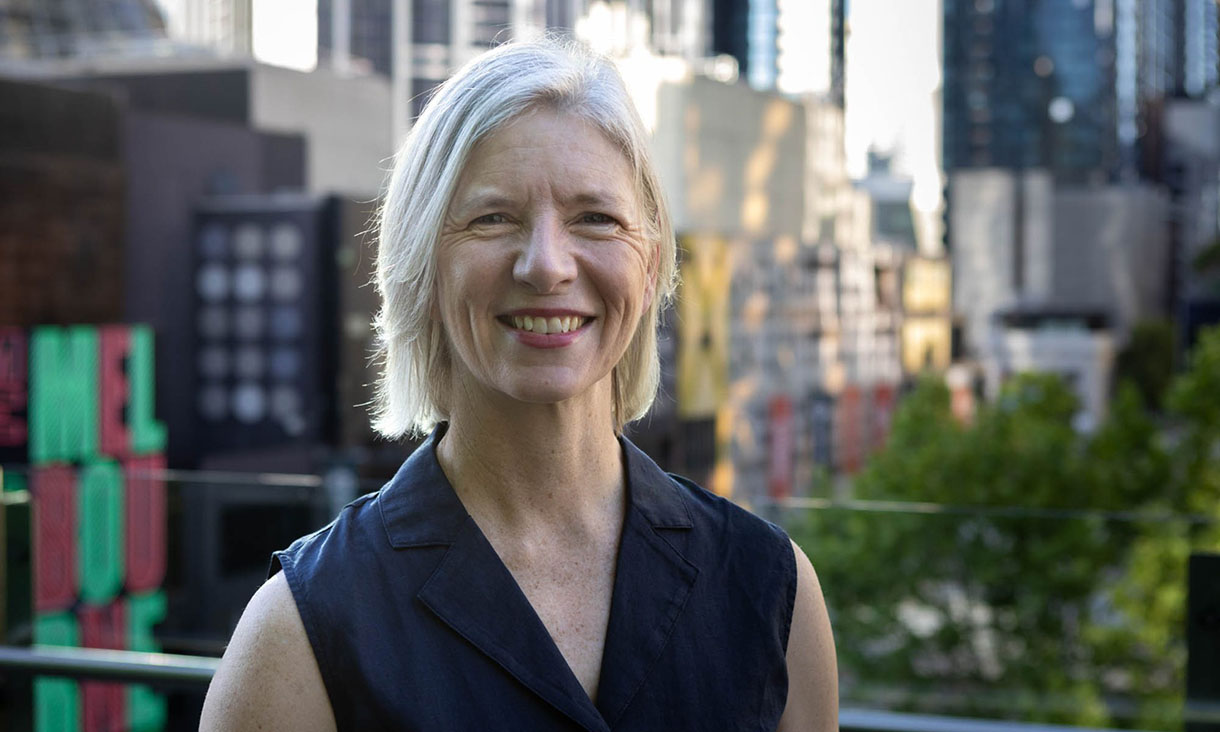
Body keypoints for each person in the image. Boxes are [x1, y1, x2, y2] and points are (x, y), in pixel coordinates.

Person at [199, 38, 837, 732]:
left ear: (650, 267)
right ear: (423, 266)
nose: (545, 265)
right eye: (493, 217)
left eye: (595, 217)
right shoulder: (300, 631)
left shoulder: (773, 592)